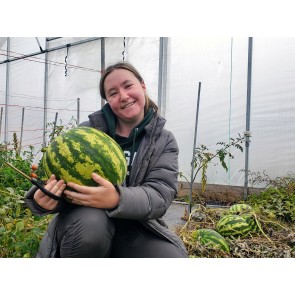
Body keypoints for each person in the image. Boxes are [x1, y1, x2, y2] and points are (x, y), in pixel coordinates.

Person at [25, 62, 188, 258]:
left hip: (137, 225)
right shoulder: (88, 131)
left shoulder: (163, 140)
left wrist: (117, 199)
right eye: (113, 93)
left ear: (142, 86)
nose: (123, 96)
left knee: (171, 258)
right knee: (91, 227)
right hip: (85, 219)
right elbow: (61, 180)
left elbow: (160, 195)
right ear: (107, 100)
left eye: (128, 86)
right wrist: (44, 197)